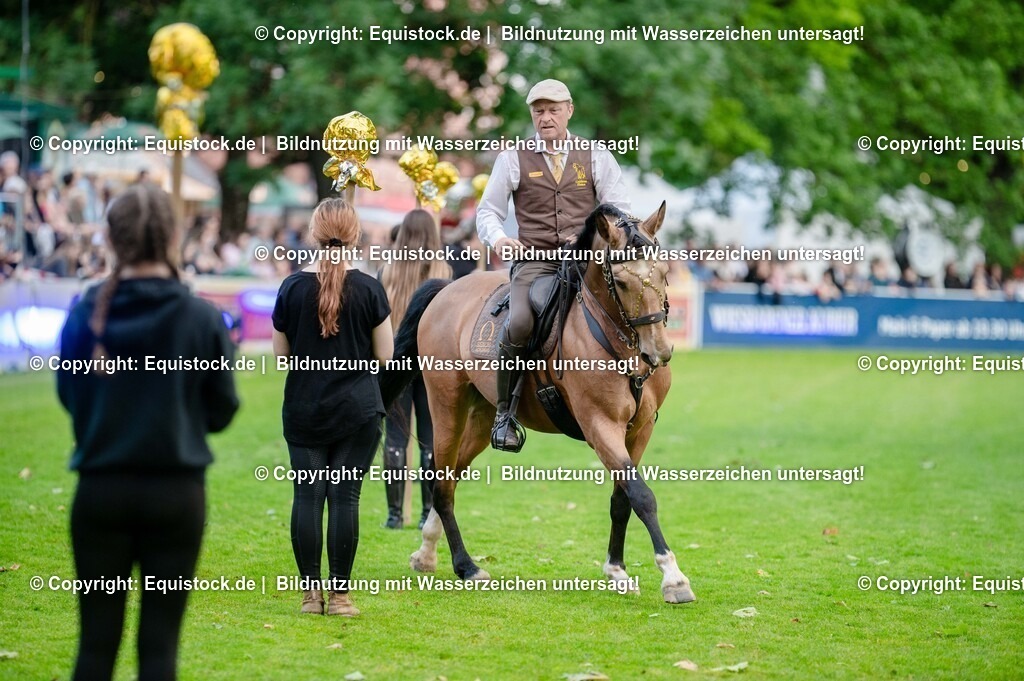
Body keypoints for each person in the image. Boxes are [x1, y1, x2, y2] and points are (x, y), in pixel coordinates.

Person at [56, 184, 239, 681]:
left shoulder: (84, 312)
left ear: (112, 241)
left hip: (100, 492)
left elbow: (71, 398)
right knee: (159, 652)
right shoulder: (200, 318)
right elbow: (222, 411)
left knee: (94, 648)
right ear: (173, 237)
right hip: (175, 496)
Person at [476, 78, 631, 451]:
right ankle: (504, 415)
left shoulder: (596, 156)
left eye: (553, 110)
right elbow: (488, 211)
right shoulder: (512, 158)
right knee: (520, 322)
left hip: (587, 263)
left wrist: (591, 235)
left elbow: (619, 211)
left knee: (632, 307)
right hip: (536, 263)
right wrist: (499, 240)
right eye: (538, 111)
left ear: (569, 111)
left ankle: (641, 393)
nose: (545, 118)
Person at [272, 198, 392, 617]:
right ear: (355, 234)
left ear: (313, 232)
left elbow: (283, 357)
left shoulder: (290, 287)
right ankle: (340, 597)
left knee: (308, 498)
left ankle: (310, 597)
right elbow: (384, 357)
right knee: (345, 499)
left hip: (305, 407)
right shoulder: (371, 287)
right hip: (358, 410)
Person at [379, 209, 452, 528]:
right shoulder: (444, 271)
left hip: (394, 358)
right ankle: (426, 511)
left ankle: (395, 515)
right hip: (432, 363)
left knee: (395, 438)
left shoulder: (387, 272)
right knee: (429, 438)